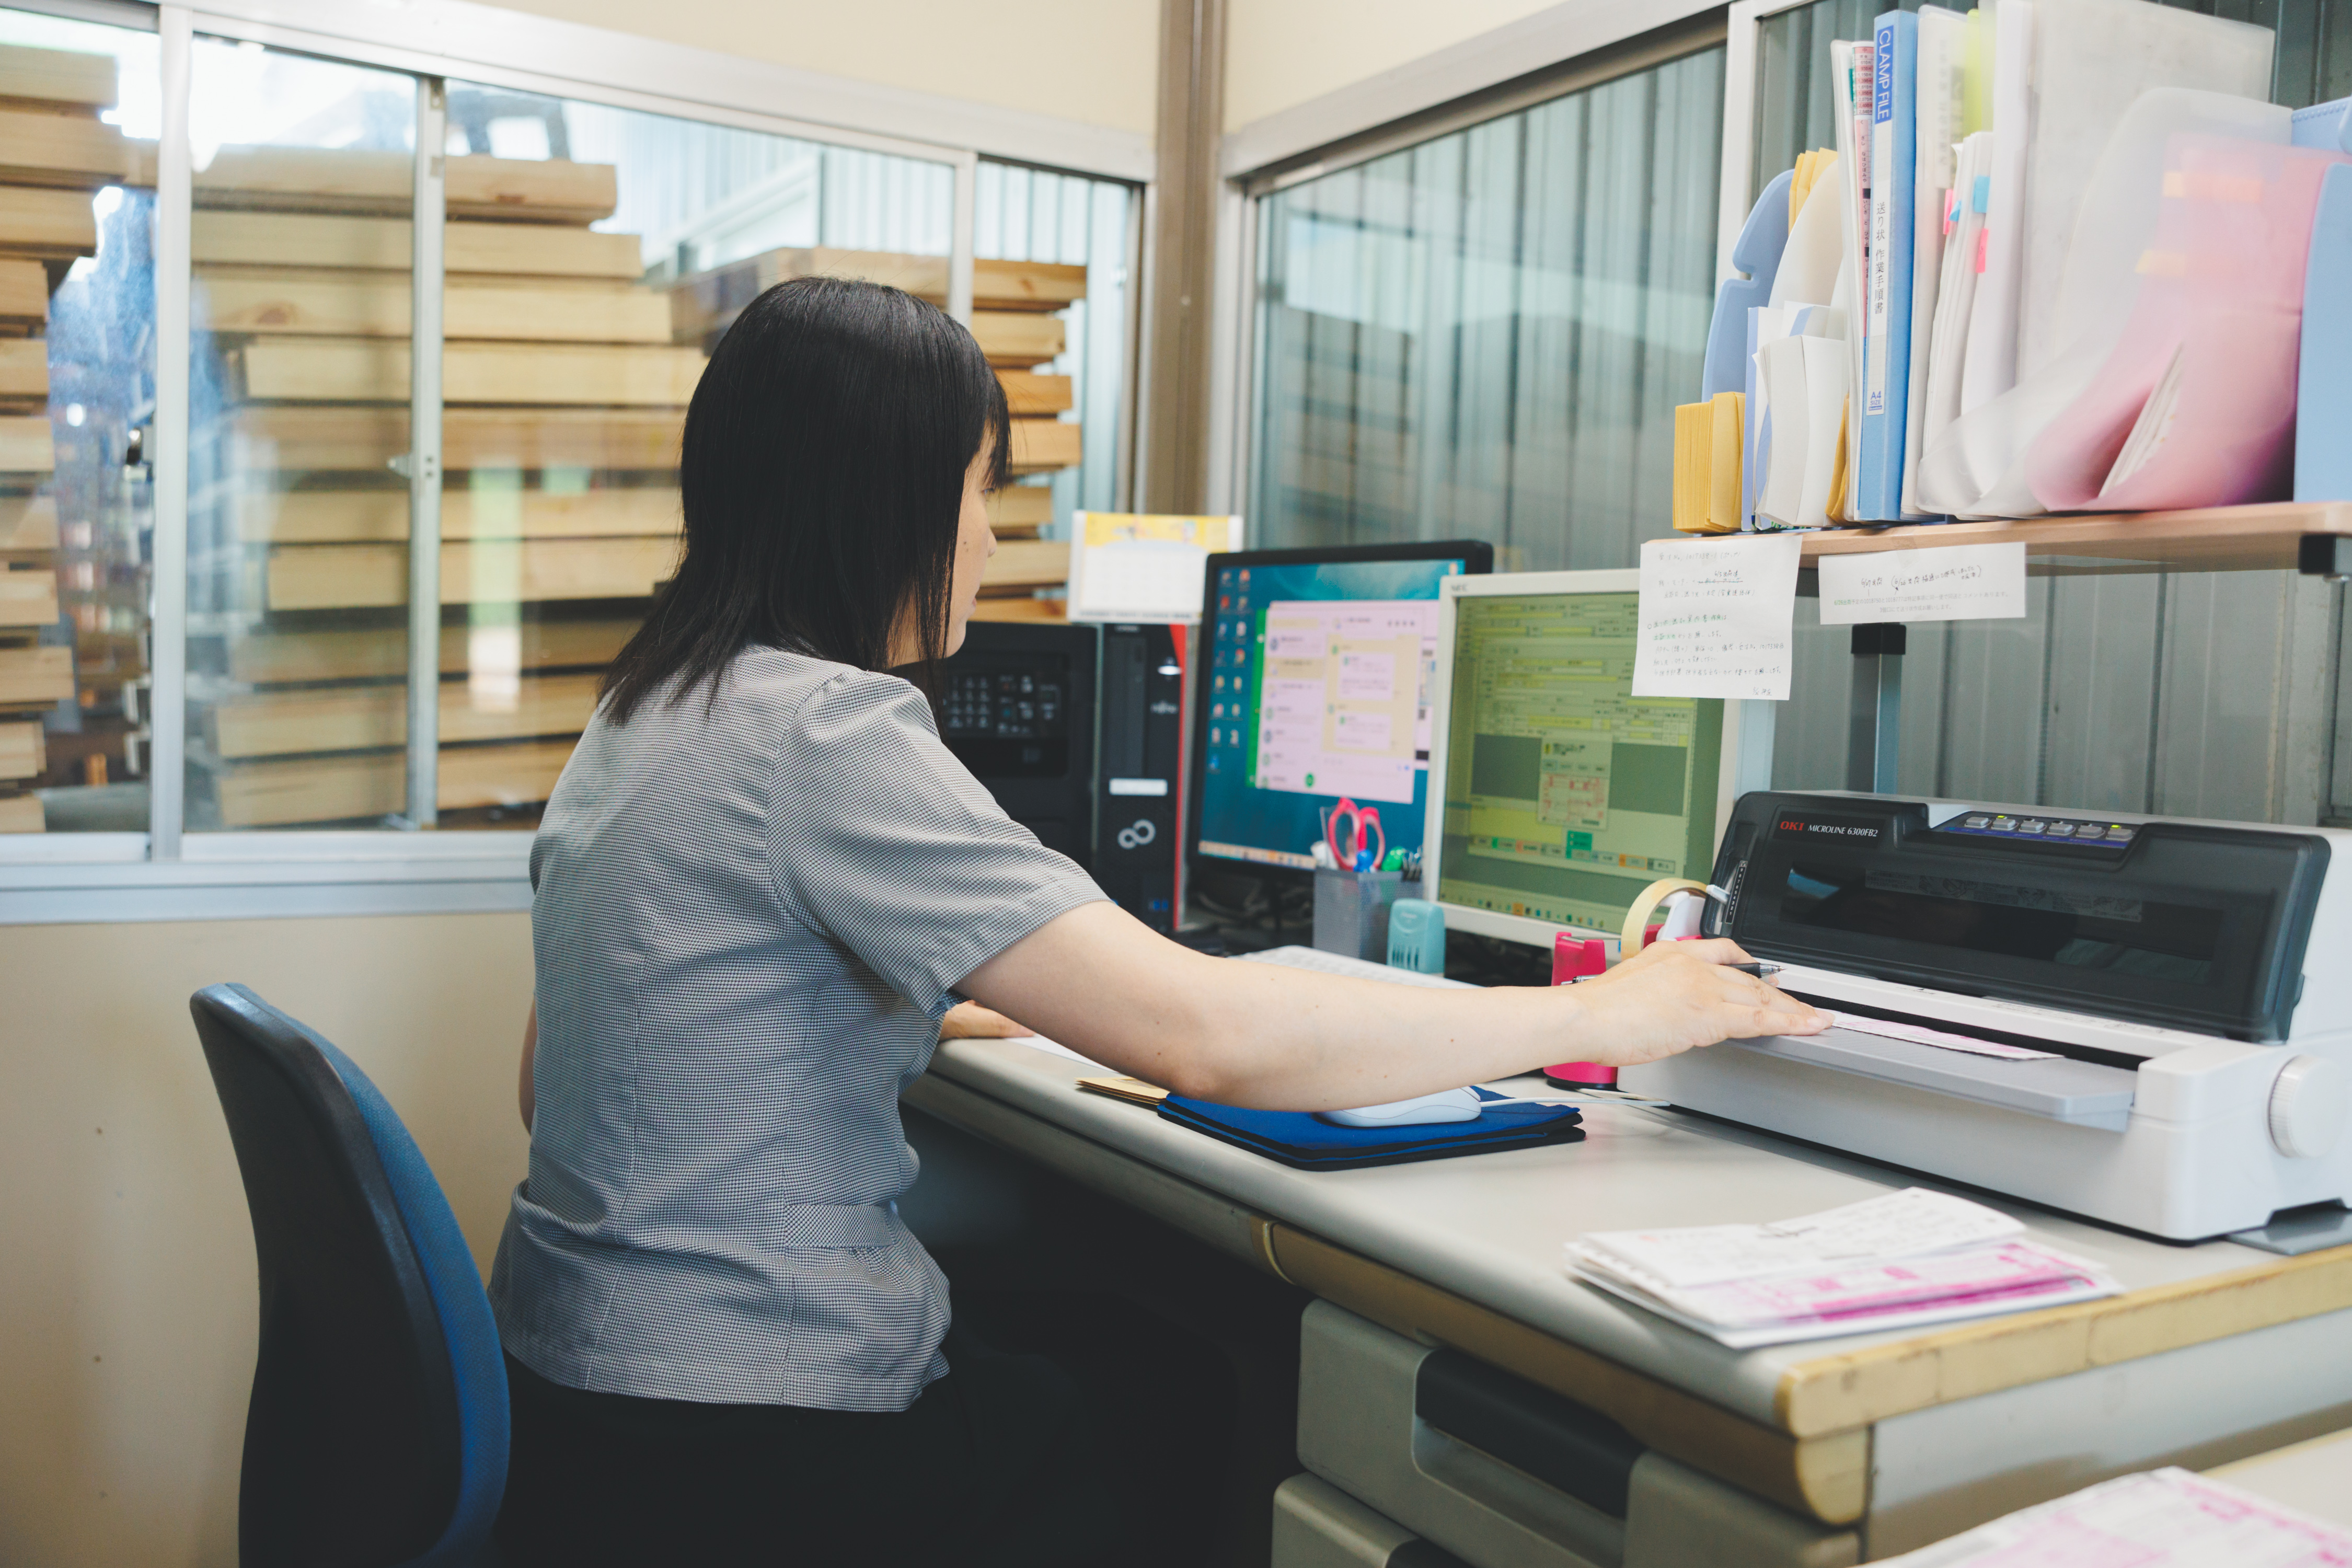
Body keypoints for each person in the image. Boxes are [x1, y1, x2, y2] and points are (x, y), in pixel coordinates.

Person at [487, 276, 1828, 1566]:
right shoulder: (824, 729)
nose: (992, 540)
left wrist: (865, 998)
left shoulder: (645, 709)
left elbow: (561, 1083)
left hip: (572, 1402)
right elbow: (1210, 1039)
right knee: (1193, 1380)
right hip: (748, 1439)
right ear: (881, 503)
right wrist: (1607, 1009)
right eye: (982, 492)